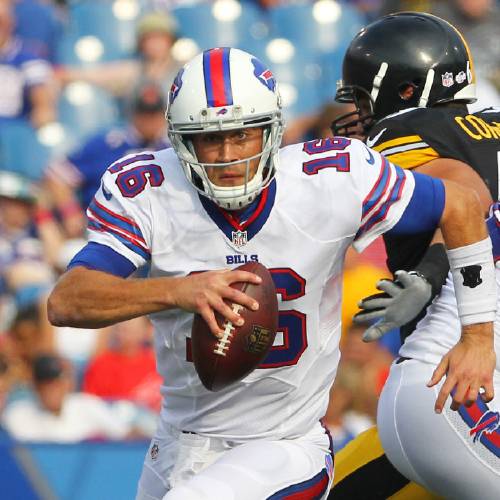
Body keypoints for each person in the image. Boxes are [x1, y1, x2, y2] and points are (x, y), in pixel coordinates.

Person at [47, 47, 496, 499]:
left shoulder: (334, 176)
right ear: (181, 141)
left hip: (284, 444)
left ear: (273, 129)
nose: (227, 156)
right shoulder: (148, 189)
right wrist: (178, 291)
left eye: (242, 135)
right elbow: (68, 301)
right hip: (176, 441)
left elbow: (461, 203)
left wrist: (477, 335)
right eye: (208, 138)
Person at [328, 12, 500, 499]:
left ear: (404, 92)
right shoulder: (492, 125)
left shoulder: (407, 130)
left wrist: (428, 273)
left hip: (457, 369)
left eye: (362, 98)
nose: (359, 113)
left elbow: (468, 202)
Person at [45, 80, 170, 238]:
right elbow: (57, 176)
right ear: (133, 113)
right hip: (106, 232)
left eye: (154, 113)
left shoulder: (173, 147)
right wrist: (70, 213)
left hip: (162, 232)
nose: (150, 120)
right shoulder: (106, 143)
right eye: (144, 113)